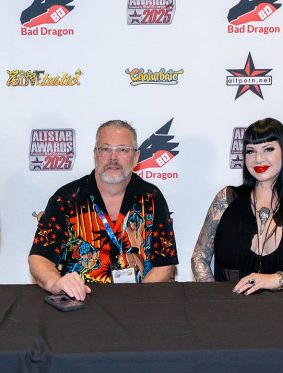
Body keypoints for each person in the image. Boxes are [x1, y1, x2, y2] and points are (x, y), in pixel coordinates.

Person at [29, 120, 178, 300]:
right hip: (80, 302)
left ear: (136, 157)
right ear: (95, 154)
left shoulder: (152, 198)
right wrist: (55, 283)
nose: (113, 157)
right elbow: (39, 257)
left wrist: (138, 300)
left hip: (140, 301)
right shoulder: (66, 198)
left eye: (122, 150)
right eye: (106, 149)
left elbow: (165, 263)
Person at [191, 117, 283, 293]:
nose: (258, 159)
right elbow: (199, 257)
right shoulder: (226, 199)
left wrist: (277, 279)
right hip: (228, 304)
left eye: (268, 149)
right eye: (250, 151)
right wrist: (213, 297)